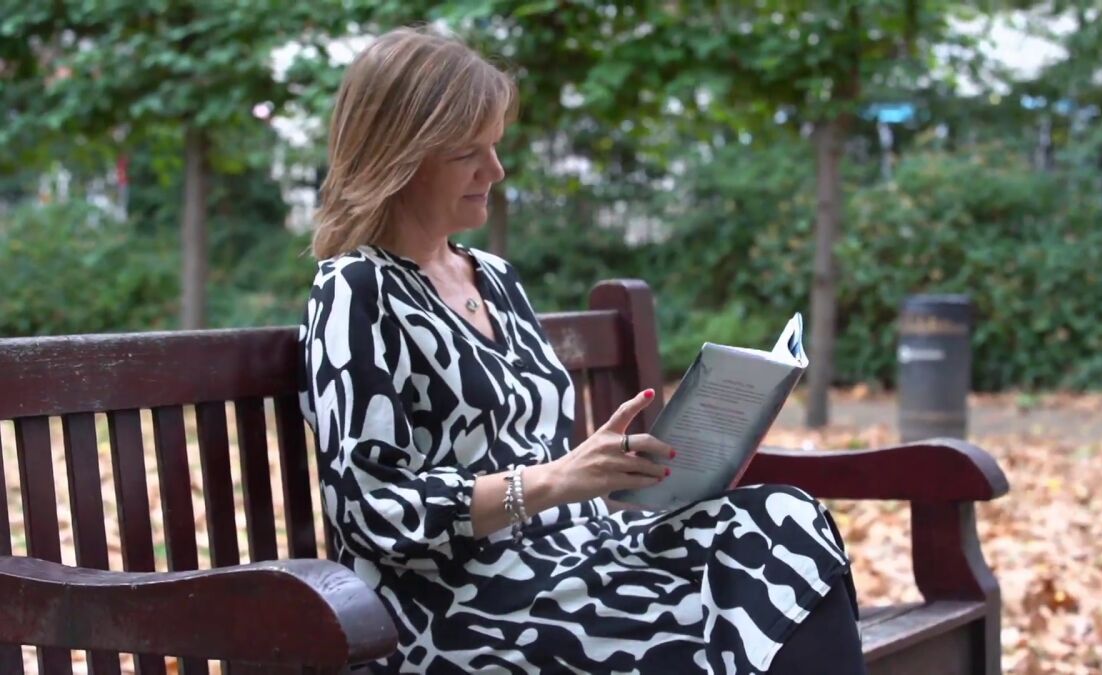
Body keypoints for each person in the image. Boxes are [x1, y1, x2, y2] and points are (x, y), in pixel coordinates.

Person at [299, 25, 865, 675]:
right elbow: (372, 509)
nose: (495, 171)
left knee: (784, 520)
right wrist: (557, 479)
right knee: (713, 617)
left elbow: (544, 459)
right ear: (399, 158)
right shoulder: (356, 288)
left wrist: (632, 469)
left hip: (575, 558)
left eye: (495, 146)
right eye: (466, 154)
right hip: (461, 608)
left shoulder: (495, 278)